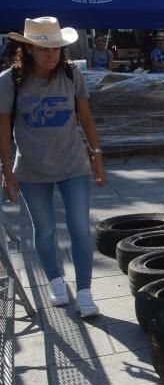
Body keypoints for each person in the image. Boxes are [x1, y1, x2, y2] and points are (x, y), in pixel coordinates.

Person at [0, 17, 106, 317]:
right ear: (29, 49)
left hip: (74, 165)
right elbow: (3, 127)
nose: (51, 55)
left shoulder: (72, 75)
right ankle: (56, 282)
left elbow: (85, 116)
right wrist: (6, 170)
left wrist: (96, 155)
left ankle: (85, 291)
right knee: (44, 229)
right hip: (32, 170)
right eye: (44, 49)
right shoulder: (10, 81)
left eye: (57, 48)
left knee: (80, 228)